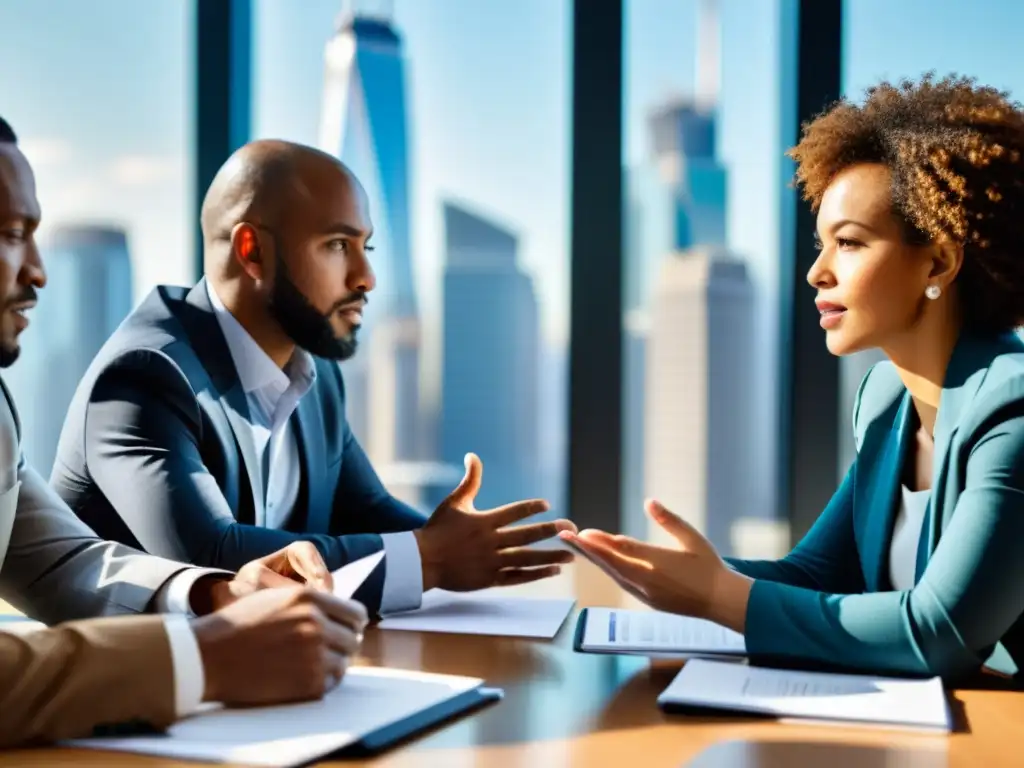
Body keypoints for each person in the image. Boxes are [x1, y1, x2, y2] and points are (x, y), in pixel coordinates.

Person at [562, 74, 1024, 683]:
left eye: (850, 244)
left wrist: (716, 595)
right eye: (819, 244)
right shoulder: (888, 401)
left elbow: (941, 632)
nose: (816, 273)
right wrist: (682, 573)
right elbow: (816, 575)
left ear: (937, 260)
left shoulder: (1011, 414)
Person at [51, 139, 574, 616]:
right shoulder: (146, 375)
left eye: (366, 248)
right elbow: (211, 556)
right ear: (252, 251)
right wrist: (429, 559)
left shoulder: (315, 374)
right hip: (132, 689)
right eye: (337, 246)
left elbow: (363, 510)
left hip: (259, 672)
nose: (366, 278)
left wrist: (465, 542)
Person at [0, 118, 370, 747]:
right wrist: (204, 661)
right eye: (10, 235)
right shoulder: (149, 368)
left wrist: (218, 594)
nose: (37, 271)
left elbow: (58, 560)